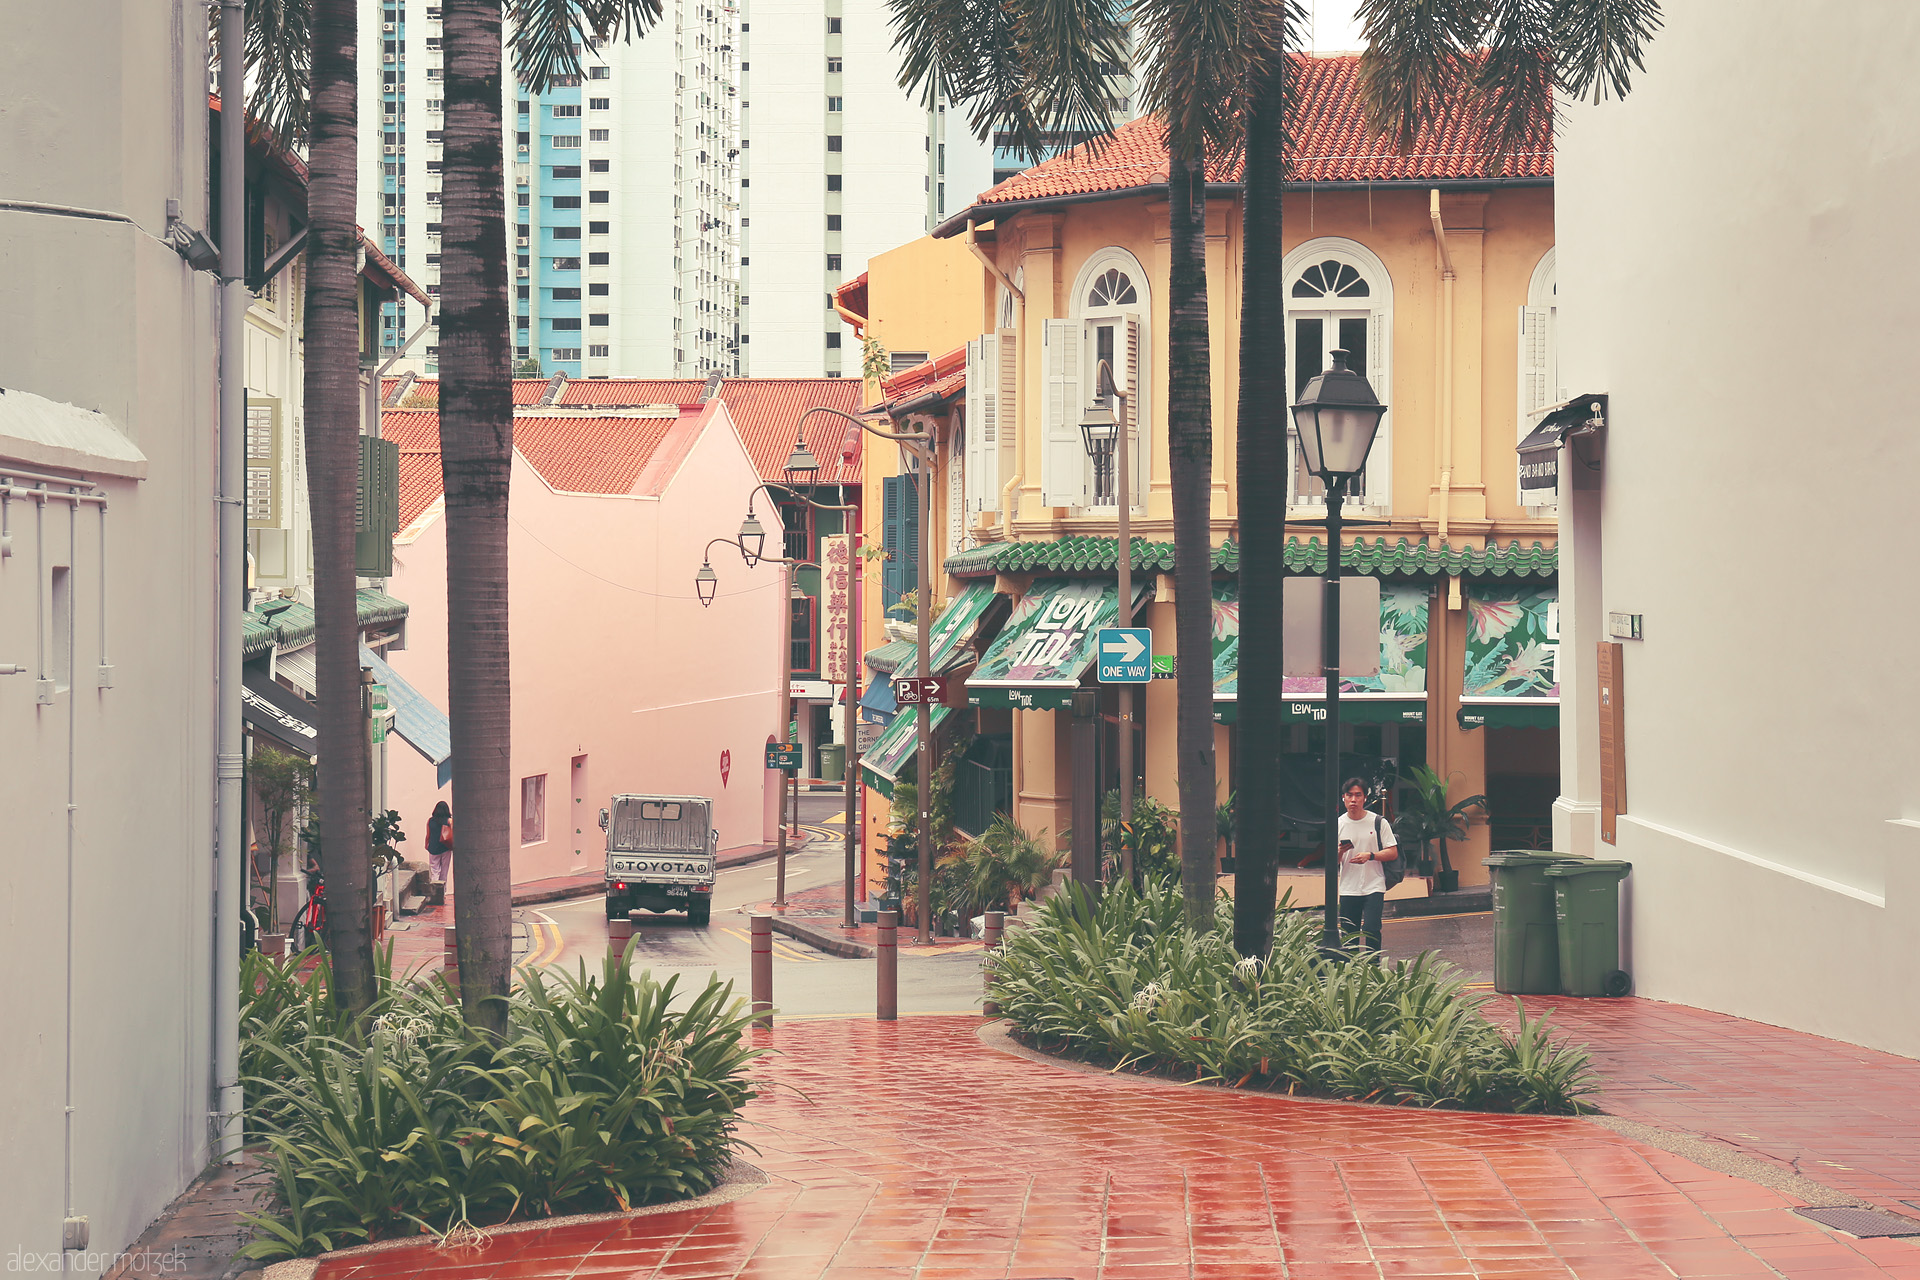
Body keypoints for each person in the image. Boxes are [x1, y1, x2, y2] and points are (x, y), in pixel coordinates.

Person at [1335, 777, 1398, 955]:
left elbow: (1392, 852)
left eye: (1358, 795)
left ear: (1365, 798)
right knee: (1349, 935)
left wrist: (1370, 856)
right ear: (1343, 798)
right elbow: (1332, 863)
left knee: (1372, 929)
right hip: (1348, 887)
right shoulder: (1338, 824)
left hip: (1374, 885)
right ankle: (1352, 968)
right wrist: (1339, 852)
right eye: (1349, 795)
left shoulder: (1378, 822)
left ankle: (1373, 966)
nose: (1353, 800)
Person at [424, 800, 453, 901]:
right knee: (444, 871)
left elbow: (428, 835)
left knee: (434, 871)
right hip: (446, 847)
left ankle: (434, 893)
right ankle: (442, 893)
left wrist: (427, 845)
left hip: (433, 848)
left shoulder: (430, 821)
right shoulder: (449, 821)